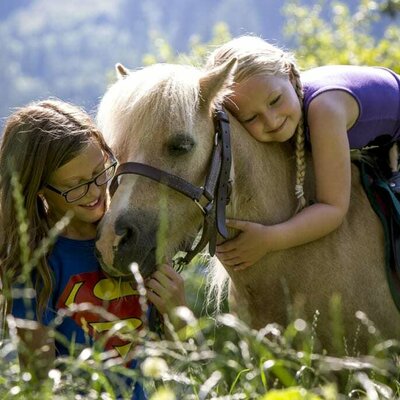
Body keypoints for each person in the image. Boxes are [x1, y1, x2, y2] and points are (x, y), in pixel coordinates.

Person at [0, 99, 187, 398]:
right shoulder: (35, 266)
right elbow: (40, 384)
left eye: (100, 172)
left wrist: (178, 311)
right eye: (76, 185)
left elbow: (185, 360)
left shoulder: (131, 237)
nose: (96, 191)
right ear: (38, 189)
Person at [205, 35, 400, 270]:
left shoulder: (324, 110)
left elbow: (333, 209)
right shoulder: (290, 108)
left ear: (288, 74)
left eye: (275, 100)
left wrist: (270, 239)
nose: (272, 120)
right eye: (251, 117)